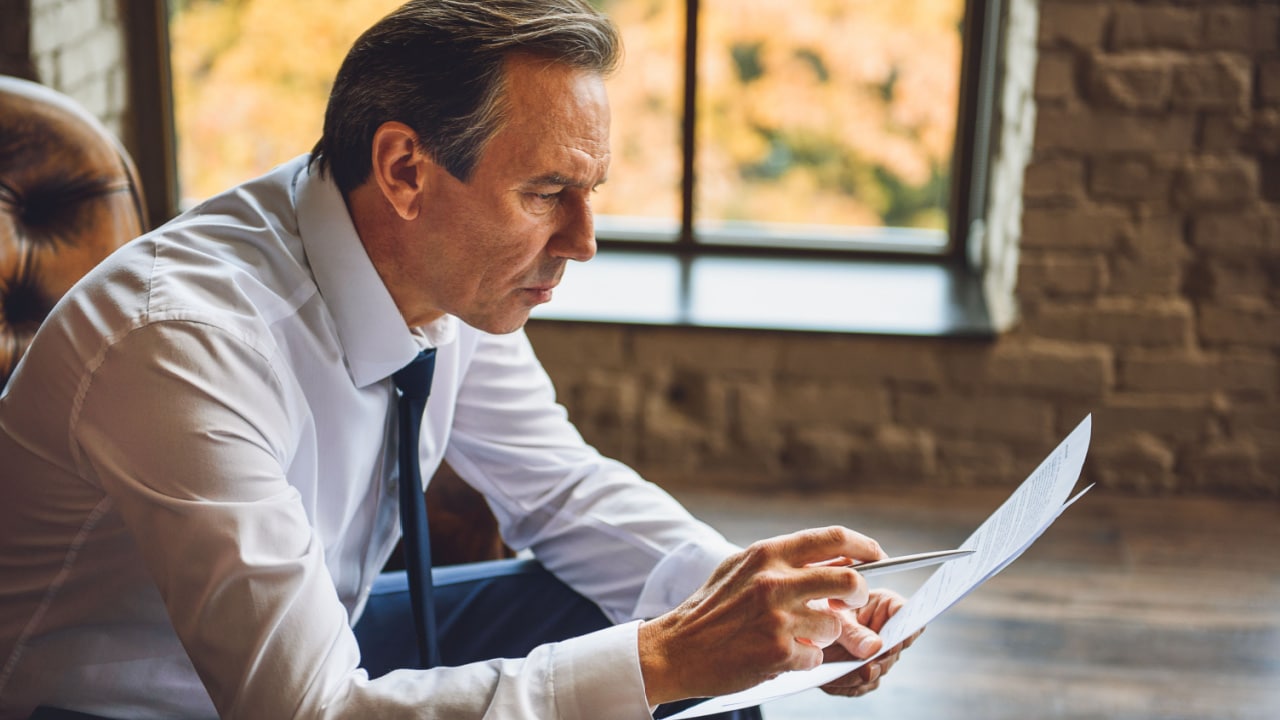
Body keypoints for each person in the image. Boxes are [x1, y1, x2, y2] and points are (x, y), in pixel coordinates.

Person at [0, 1, 920, 718]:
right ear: (405, 170)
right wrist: (672, 654)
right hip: (107, 704)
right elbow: (309, 711)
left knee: (651, 633)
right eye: (548, 192)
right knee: (653, 661)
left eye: (590, 192)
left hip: (320, 646)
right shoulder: (183, 344)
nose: (584, 240)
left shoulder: (436, 273)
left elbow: (560, 490)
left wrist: (750, 599)